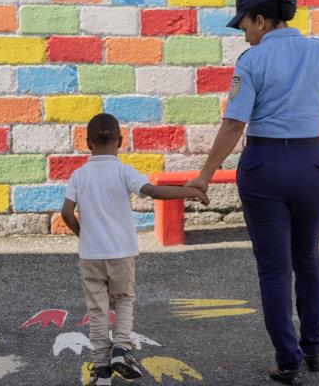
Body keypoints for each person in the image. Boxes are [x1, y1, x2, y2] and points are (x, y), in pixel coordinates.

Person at [185, 0, 319, 385]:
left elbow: (234, 123)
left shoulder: (252, 60)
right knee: (308, 257)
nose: (243, 33)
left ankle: (288, 360)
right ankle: (313, 349)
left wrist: (205, 175)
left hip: (265, 166)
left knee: (274, 269)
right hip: (313, 165)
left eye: (244, 24)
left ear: (262, 21)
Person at [60, 113, 209, 386]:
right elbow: (153, 191)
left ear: (87, 143)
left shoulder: (78, 175)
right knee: (124, 299)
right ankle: (122, 349)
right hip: (120, 253)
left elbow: (66, 213)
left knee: (97, 310)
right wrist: (189, 192)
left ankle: (102, 369)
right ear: (120, 140)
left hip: (90, 255)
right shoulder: (123, 171)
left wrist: (82, 234)